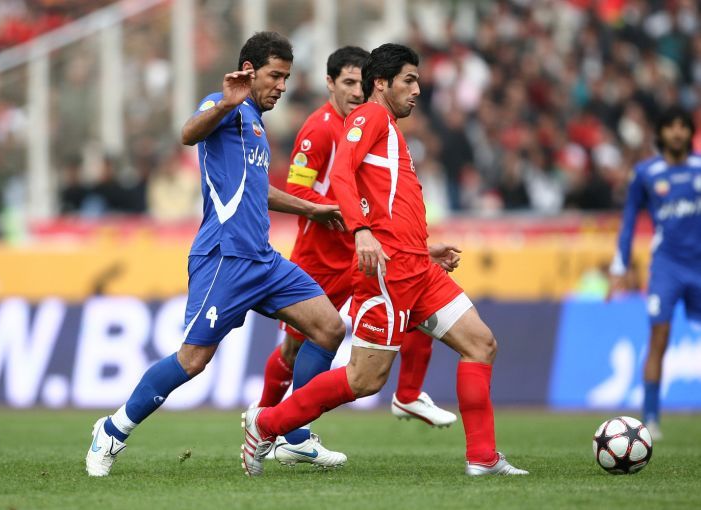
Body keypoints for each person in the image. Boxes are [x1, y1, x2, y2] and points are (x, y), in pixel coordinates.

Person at [242, 43, 528, 477]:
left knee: (480, 344)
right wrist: (360, 231)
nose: (417, 90)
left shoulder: (388, 127)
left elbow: (385, 203)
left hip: (417, 267)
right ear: (382, 83)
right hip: (389, 273)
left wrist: (423, 247)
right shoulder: (369, 117)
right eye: (409, 81)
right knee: (364, 379)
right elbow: (341, 173)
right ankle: (267, 424)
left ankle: (483, 458)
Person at [85, 31, 349, 477]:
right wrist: (226, 102)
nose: (282, 86)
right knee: (193, 360)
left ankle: (293, 435)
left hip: (263, 259)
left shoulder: (258, 126)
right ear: (248, 71)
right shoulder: (224, 105)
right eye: (275, 76)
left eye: (286, 78)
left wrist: (312, 209)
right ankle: (112, 430)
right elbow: (188, 134)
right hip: (224, 257)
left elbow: (256, 189)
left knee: (329, 328)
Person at [258, 46, 457, 468]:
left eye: (358, 83)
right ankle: (270, 423)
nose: (354, 91)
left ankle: (404, 395)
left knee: (411, 307)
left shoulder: (370, 123)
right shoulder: (319, 129)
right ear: (330, 83)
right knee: (299, 347)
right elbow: (296, 189)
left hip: (364, 251)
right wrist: (337, 212)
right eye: (346, 82)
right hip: (322, 257)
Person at [608, 105, 701, 440]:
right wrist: (620, 266)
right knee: (658, 337)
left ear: (689, 132)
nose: (677, 132)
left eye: (683, 126)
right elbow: (629, 221)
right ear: (660, 133)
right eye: (671, 126)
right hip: (667, 267)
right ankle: (651, 418)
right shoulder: (646, 173)